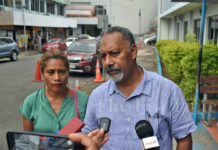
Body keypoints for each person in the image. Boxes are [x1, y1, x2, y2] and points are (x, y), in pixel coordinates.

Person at [81, 26, 197, 150]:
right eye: (103, 56)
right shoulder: (97, 96)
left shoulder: (168, 91)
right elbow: (89, 138)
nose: (108, 62)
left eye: (115, 53)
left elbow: (184, 139)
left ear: (133, 51)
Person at [20, 49, 89, 134]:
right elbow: (28, 142)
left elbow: (90, 139)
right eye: (50, 72)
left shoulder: (84, 101)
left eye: (62, 72)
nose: (57, 78)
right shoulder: (31, 102)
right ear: (42, 74)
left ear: (68, 72)